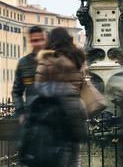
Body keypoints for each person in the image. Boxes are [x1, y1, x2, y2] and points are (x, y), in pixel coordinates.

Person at [35, 27, 87, 167]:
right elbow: (81, 84)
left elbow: (39, 86)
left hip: (56, 113)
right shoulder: (78, 58)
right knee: (75, 155)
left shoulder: (47, 58)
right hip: (76, 110)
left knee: (60, 157)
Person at [12, 26, 46, 123]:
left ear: (45, 40)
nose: (39, 43)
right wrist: (21, 112)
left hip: (52, 117)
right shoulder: (23, 63)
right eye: (35, 40)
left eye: (41, 39)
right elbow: (16, 91)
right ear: (30, 41)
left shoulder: (54, 60)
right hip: (31, 117)